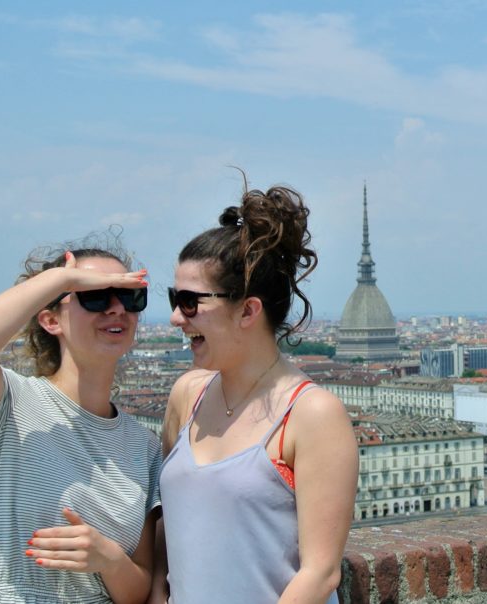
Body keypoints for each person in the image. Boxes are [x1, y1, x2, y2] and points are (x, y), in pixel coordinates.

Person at [152, 184, 359, 603]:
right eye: (176, 299)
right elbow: (168, 524)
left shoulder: (312, 413)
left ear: (248, 309)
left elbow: (320, 574)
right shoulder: (186, 396)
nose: (176, 317)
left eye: (190, 302)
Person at [0, 237, 162, 604]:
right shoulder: (12, 403)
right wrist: (62, 280)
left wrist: (108, 559)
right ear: (49, 319)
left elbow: (139, 589)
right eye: (93, 296)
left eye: (129, 296)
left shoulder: (144, 445)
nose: (116, 310)